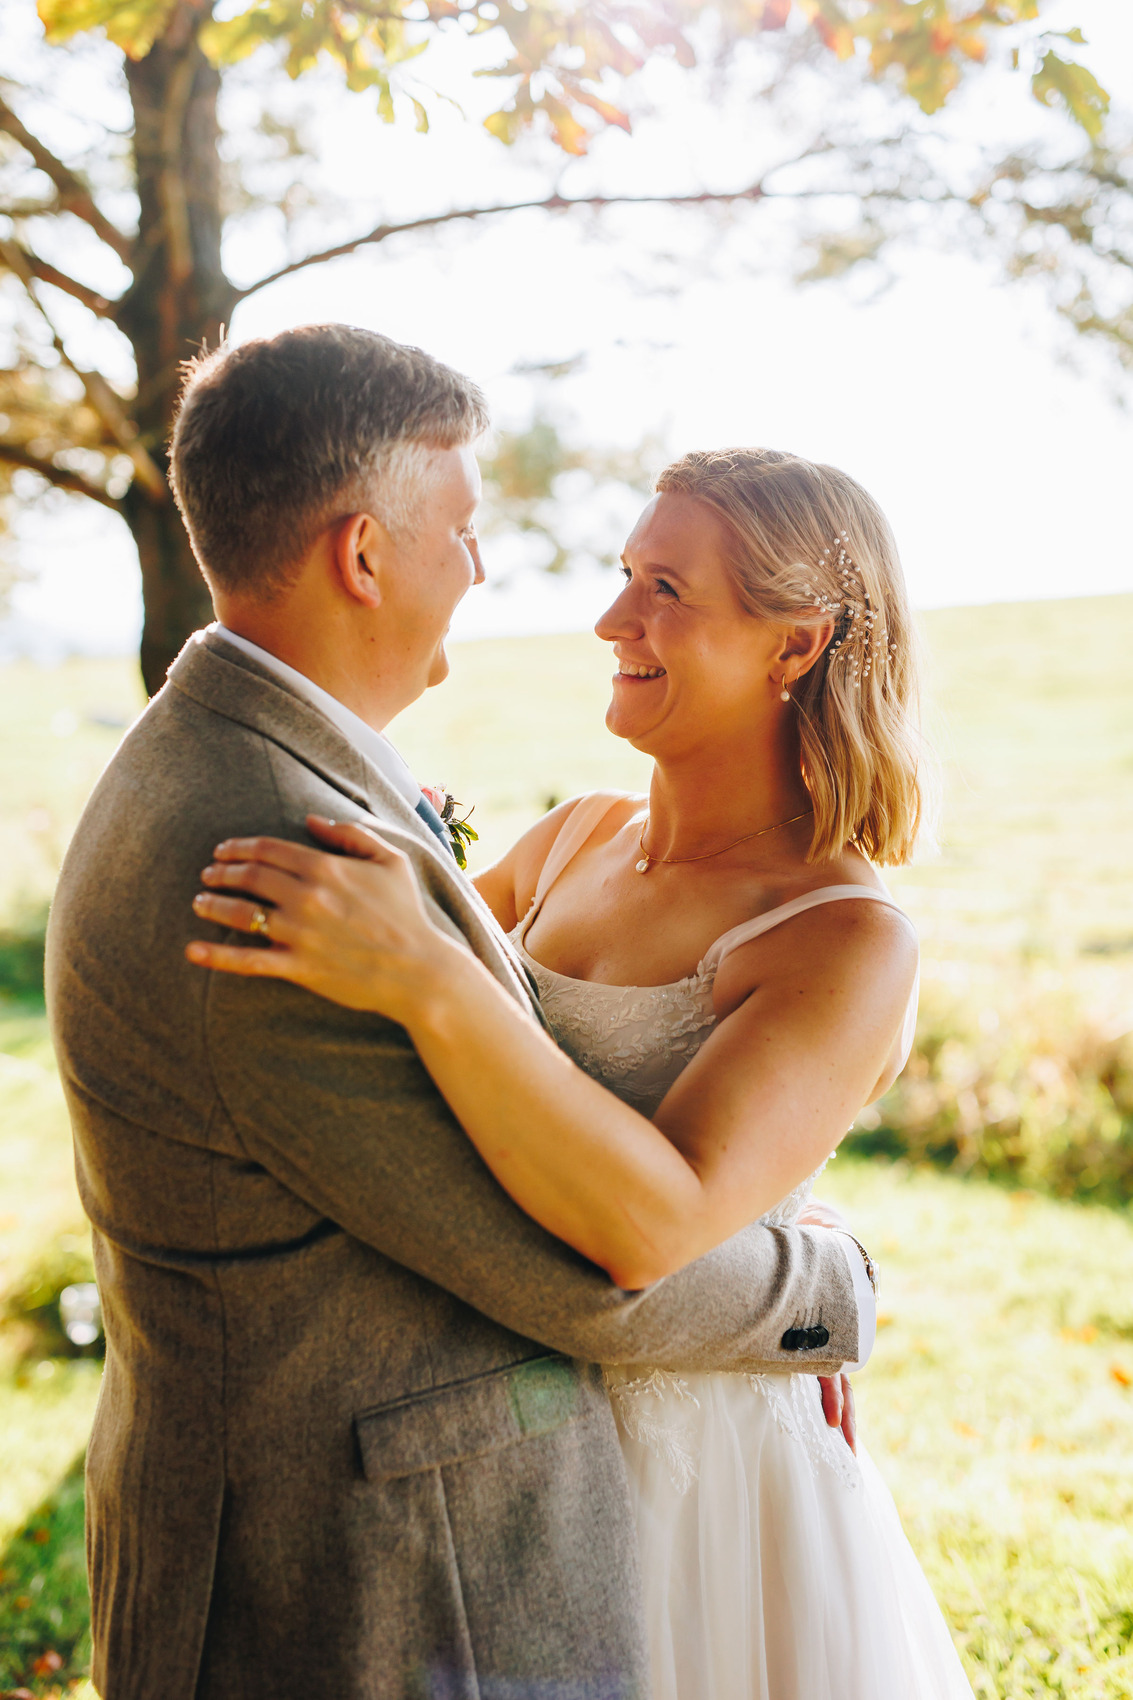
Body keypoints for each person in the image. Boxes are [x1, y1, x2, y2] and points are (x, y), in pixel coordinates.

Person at [46, 327, 874, 1700]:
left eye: (662, 587)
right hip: (365, 1580)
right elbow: (573, 1272)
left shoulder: (257, 774)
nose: (484, 569)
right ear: (365, 555)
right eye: (462, 529)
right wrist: (825, 1291)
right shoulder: (278, 855)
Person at [190, 445, 977, 1699]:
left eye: (666, 586)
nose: (613, 617)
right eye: (623, 573)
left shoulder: (841, 937)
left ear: (794, 644)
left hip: (696, 1485)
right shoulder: (573, 838)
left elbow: (648, 1220)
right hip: (488, 1430)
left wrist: (428, 974)